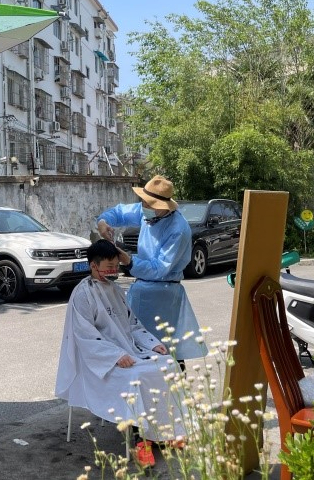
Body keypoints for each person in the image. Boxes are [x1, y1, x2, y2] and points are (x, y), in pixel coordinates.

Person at [55, 240, 186, 466]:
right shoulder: (82, 294)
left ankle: (166, 433)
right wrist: (114, 356)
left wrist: (153, 343)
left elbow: (132, 324)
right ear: (93, 266)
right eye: (108, 266)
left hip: (128, 350)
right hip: (98, 360)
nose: (114, 271)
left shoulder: (116, 289)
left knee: (170, 365)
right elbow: (85, 336)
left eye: (116, 266)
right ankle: (141, 441)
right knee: (136, 379)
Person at [96, 175, 207, 361]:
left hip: (163, 293)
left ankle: (174, 388)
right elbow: (119, 213)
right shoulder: (147, 212)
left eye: (149, 204)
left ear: (162, 207)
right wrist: (102, 223)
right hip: (142, 288)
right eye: (143, 202)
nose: (144, 207)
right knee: (137, 345)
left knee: (165, 350)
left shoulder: (178, 229)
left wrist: (129, 261)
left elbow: (159, 269)